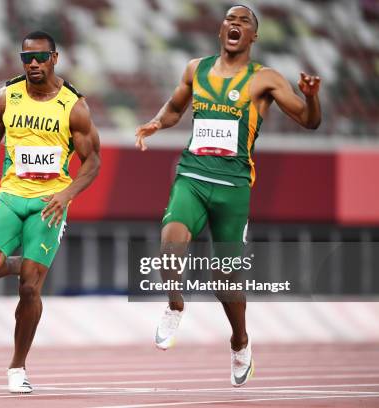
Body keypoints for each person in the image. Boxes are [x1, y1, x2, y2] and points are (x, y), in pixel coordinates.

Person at [135, 5, 321, 387]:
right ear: (221, 30)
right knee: (171, 241)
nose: (235, 24)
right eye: (230, 19)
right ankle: (175, 305)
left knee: (225, 280)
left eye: (245, 22)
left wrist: (311, 96)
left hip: (234, 187)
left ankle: (240, 343)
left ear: (254, 36)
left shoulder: (264, 78)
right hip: (192, 175)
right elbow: (174, 108)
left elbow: (309, 120)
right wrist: (156, 122)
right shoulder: (195, 69)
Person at [0, 30, 100, 393]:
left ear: (55, 58)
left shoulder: (74, 106)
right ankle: (26, 263)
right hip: (9, 197)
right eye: (26, 58)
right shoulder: (4, 99)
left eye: (40, 58)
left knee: (29, 290)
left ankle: (17, 367)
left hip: (49, 204)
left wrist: (67, 194)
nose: (33, 64)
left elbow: (92, 162)